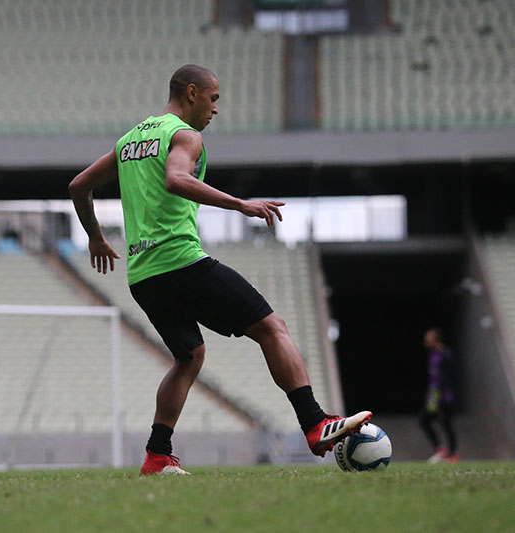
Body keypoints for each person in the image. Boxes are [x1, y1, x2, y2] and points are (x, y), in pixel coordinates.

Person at [69, 64, 371, 475]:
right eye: (213, 99)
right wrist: (240, 204)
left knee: (188, 357)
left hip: (144, 275)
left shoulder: (129, 141)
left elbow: (78, 185)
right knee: (272, 327)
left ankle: (157, 455)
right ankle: (315, 422)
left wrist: (95, 237)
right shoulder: (183, 135)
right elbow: (177, 179)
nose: (215, 110)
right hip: (181, 262)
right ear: (192, 93)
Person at [419, 327, 459, 464]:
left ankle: (452, 454)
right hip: (434, 395)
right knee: (424, 420)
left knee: (446, 423)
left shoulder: (446, 354)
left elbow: (448, 378)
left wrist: (441, 397)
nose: (426, 341)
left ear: (436, 339)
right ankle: (440, 448)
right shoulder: (432, 354)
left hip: (444, 396)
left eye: (428, 339)